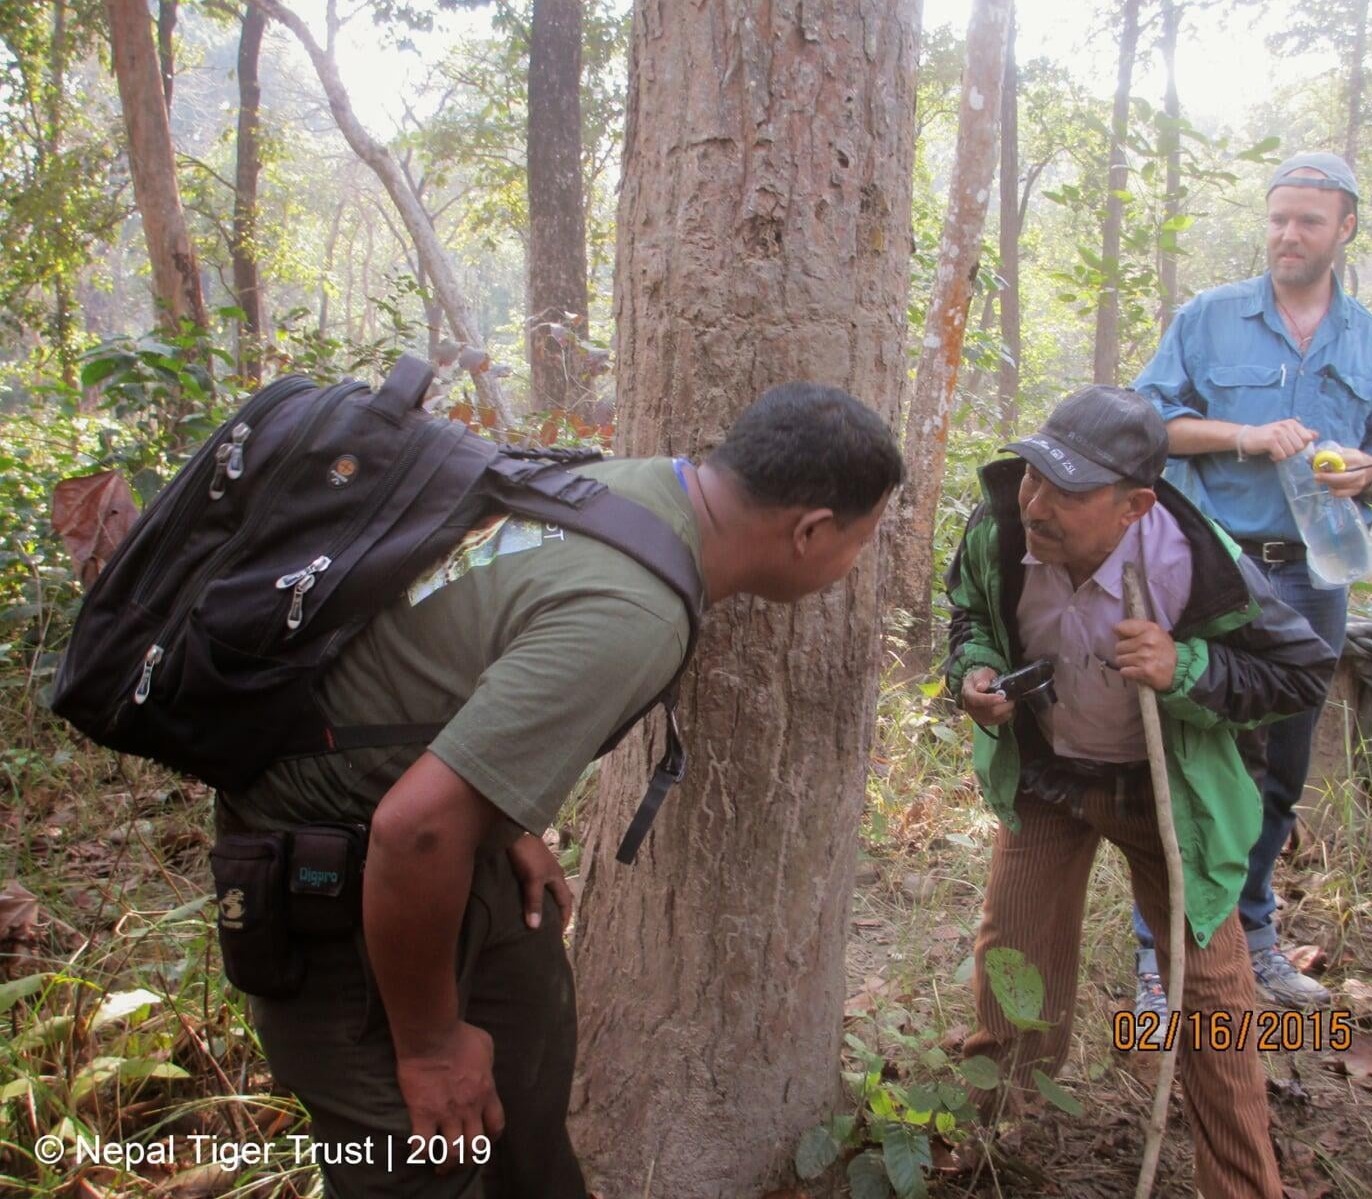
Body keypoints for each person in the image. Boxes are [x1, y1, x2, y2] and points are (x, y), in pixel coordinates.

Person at [219, 383, 904, 1197]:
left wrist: (501, 818)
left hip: (427, 832)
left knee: (527, 1126)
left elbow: (457, 647)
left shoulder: (621, 487)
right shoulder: (636, 610)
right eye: (863, 540)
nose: (855, 562)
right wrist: (430, 1048)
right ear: (810, 531)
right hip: (337, 872)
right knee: (417, 1169)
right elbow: (417, 830)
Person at [945, 386, 1335, 1199]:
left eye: (1068, 490)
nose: (1037, 503)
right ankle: (994, 1140)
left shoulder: (1194, 563)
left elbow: (1300, 672)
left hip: (1164, 792)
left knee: (1211, 995)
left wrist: (1185, 667)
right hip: (1049, 779)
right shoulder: (1002, 526)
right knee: (1014, 953)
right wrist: (975, 671)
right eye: (1034, 475)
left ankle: (1241, 1183)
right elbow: (970, 615)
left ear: (1135, 506)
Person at [1132, 151, 1372, 1013]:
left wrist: (1370, 473)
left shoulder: (1371, 340)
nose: (1288, 234)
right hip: (1216, 567)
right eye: (1278, 218)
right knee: (1197, 754)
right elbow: (1147, 421)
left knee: (1282, 765)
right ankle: (1160, 955)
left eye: (1308, 221)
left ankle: (1253, 937)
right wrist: (1242, 437)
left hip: (1316, 578)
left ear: (1345, 228)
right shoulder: (1210, 317)